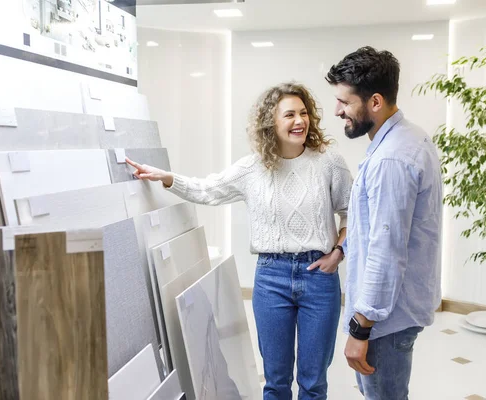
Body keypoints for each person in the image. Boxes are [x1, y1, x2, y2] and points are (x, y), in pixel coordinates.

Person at [126, 82, 353, 400]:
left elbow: (352, 214)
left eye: (303, 113)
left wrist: (339, 253)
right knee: (275, 382)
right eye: (289, 114)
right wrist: (166, 177)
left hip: (320, 277)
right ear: (271, 122)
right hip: (271, 278)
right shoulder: (253, 168)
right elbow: (207, 189)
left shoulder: (329, 162)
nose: (299, 121)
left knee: (313, 383)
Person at [326, 47, 443, 400]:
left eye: (344, 102)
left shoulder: (391, 158)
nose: (337, 110)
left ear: (375, 102)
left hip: (385, 321)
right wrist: (342, 249)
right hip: (396, 311)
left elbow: (386, 250)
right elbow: (380, 226)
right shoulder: (408, 136)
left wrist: (360, 330)